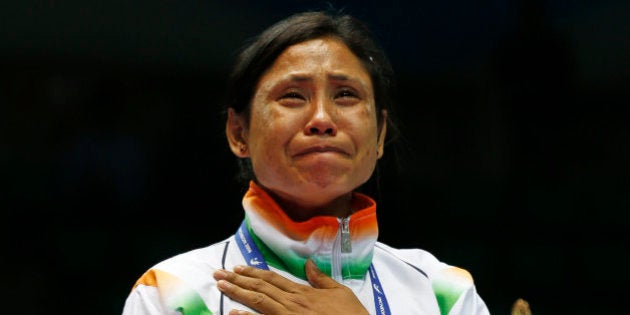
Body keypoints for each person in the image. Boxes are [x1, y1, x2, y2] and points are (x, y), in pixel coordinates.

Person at [122, 9, 490, 315]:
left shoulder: (445, 294)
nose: (322, 119)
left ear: (379, 136)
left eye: (345, 95)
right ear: (238, 133)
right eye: (293, 96)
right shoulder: (173, 295)